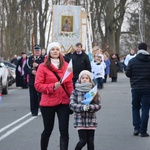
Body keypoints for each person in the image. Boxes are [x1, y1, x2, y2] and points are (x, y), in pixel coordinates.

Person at [34, 42, 73, 150]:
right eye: (52, 49)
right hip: (48, 103)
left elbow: (69, 84)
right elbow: (37, 85)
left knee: (64, 130)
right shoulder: (42, 67)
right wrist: (51, 87)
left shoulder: (66, 65)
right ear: (49, 52)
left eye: (57, 49)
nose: (55, 51)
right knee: (48, 130)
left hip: (63, 102)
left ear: (60, 51)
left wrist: (73, 97)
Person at [69, 70, 101, 150]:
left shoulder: (93, 91)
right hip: (80, 121)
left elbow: (98, 105)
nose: (84, 79)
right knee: (82, 141)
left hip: (91, 121)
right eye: (82, 78)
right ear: (80, 79)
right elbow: (71, 104)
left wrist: (90, 107)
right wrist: (81, 107)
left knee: (91, 141)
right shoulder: (75, 91)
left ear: (90, 80)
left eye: (87, 78)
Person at [125, 42, 150, 137]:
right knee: (145, 109)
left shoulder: (132, 61)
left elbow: (128, 74)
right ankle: (143, 131)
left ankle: (136, 128)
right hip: (147, 88)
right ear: (146, 49)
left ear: (138, 49)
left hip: (135, 87)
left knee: (135, 107)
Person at [24, 44, 45, 116]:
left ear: (40, 51)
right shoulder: (29, 59)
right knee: (33, 96)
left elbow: (46, 68)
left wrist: (38, 66)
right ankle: (34, 111)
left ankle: (42, 109)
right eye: (35, 50)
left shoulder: (44, 59)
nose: (37, 52)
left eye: (38, 50)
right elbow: (25, 68)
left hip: (41, 81)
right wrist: (31, 71)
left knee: (41, 96)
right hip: (32, 80)